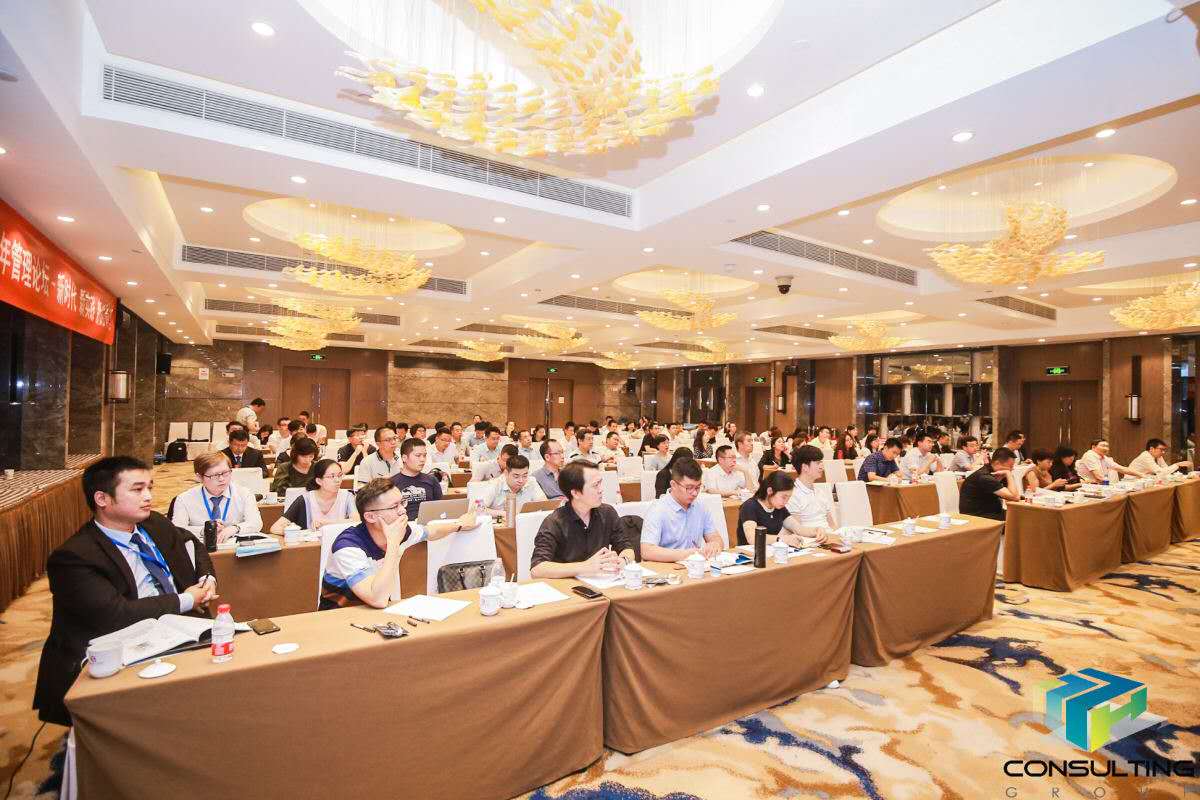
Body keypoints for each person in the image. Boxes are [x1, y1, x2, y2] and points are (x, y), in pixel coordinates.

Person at [35, 456, 218, 725]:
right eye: (137, 489)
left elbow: (191, 542)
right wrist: (188, 599)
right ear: (102, 498)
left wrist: (206, 577)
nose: (148, 496)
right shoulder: (74, 557)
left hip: (179, 632)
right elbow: (115, 615)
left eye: (150, 487)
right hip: (121, 651)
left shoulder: (153, 523)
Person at [319, 479, 478, 609]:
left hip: (378, 615)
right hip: (339, 617)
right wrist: (394, 543)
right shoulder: (347, 546)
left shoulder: (401, 531)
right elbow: (377, 599)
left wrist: (459, 524)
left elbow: (431, 531)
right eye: (395, 506)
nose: (403, 510)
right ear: (370, 517)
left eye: (402, 503)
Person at [529, 461, 637, 579]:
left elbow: (626, 547)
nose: (601, 490)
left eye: (600, 483)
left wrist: (623, 560)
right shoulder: (554, 522)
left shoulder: (607, 513)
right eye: (595, 485)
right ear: (575, 493)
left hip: (602, 582)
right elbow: (537, 569)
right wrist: (585, 566)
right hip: (567, 585)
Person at [639, 458, 723, 562]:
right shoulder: (658, 509)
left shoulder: (700, 506)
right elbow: (647, 551)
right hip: (667, 567)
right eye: (689, 488)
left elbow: (715, 537)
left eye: (698, 487)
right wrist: (687, 554)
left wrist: (714, 544)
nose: (694, 493)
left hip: (696, 566)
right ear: (673, 485)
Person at [171, 451, 263, 543]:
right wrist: (204, 530)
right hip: (200, 548)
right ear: (199, 477)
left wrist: (234, 528)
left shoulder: (244, 494)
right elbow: (177, 530)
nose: (222, 479)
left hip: (234, 547)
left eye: (225, 473)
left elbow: (256, 523)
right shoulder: (184, 499)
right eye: (214, 475)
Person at [272, 459, 358, 533]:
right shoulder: (305, 500)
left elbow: (356, 521)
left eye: (339, 475)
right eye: (332, 476)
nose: (337, 480)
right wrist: (296, 533)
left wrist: (326, 523)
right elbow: (275, 528)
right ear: (319, 481)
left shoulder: (347, 496)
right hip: (311, 546)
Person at [784, 445, 835, 541]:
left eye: (821, 462)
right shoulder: (793, 494)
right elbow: (797, 531)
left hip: (829, 537)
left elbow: (832, 525)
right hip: (811, 540)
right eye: (818, 463)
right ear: (805, 467)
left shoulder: (820, 491)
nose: (822, 466)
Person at [474, 454, 547, 518]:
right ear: (506, 473)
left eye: (524, 476)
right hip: (499, 526)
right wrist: (505, 514)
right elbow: (476, 508)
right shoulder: (495, 484)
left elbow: (544, 504)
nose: (521, 480)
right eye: (516, 476)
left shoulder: (531, 481)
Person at [959, 446, 1021, 520]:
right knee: (1019, 518)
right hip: (977, 516)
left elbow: (1012, 497)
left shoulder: (998, 474)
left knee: (1021, 514)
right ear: (997, 463)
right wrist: (1009, 474)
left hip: (991, 512)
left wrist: (1007, 474)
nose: (1012, 469)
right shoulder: (984, 477)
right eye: (1010, 466)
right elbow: (1015, 497)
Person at [390, 437, 444, 519]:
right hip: (403, 524)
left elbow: (440, 508)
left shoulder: (432, 480)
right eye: (418, 455)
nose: (422, 459)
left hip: (429, 523)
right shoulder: (392, 483)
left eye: (424, 455)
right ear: (404, 458)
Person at [1077, 439, 1142, 483]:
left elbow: (1121, 468)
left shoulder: (1104, 457)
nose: (1106, 448)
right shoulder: (1089, 455)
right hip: (1087, 486)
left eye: (1107, 446)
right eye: (1103, 446)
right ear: (1093, 447)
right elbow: (1098, 476)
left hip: (1098, 485)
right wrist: (1112, 486)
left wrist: (1141, 474)